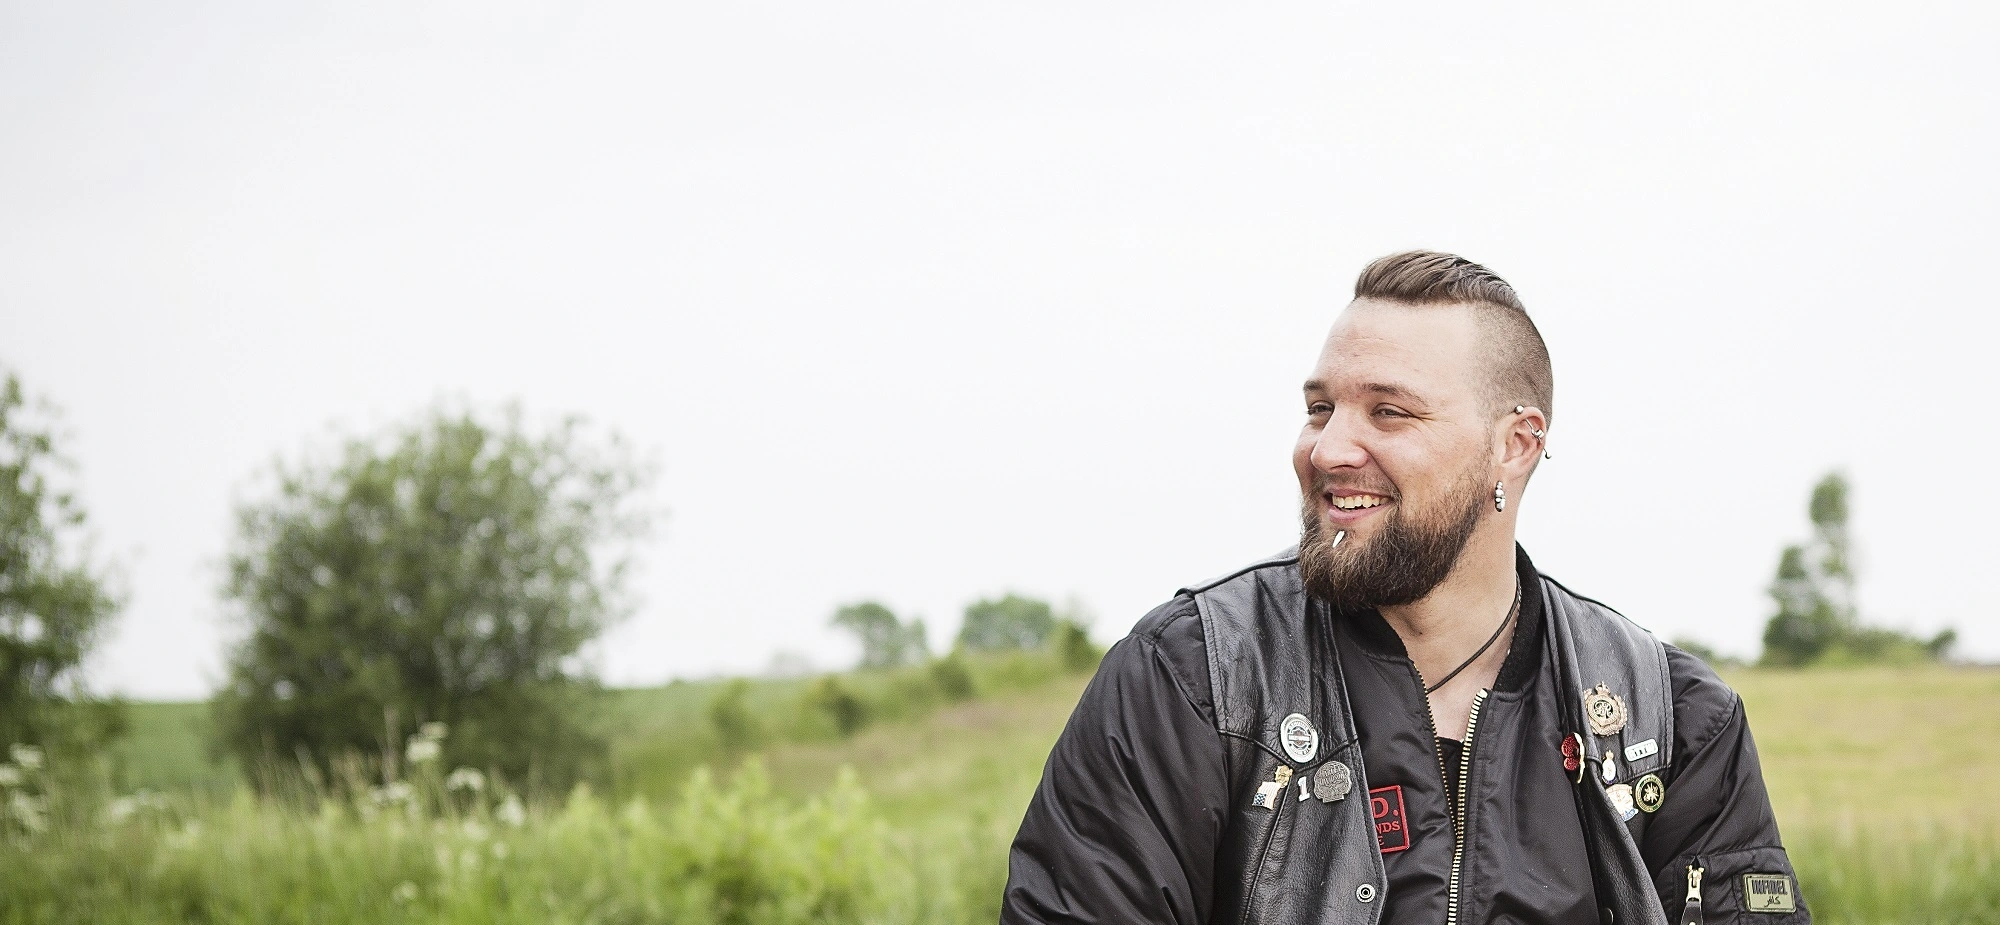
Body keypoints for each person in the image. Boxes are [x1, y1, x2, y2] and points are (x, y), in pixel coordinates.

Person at [1001, 251, 1806, 925]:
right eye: (1320, 408)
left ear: (1515, 446)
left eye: (1388, 412)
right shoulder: (1191, 680)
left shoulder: (1672, 721)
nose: (1328, 448)